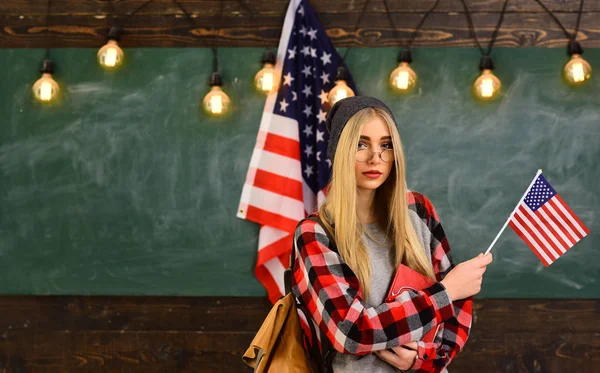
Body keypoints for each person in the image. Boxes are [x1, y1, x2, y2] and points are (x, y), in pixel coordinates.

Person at [290, 96, 493, 373]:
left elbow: (457, 310)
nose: (376, 158)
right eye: (361, 145)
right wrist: (444, 294)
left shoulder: (419, 211)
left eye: (386, 145)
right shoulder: (316, 234)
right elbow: (351, 331)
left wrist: (422, 359)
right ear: (339, 152)